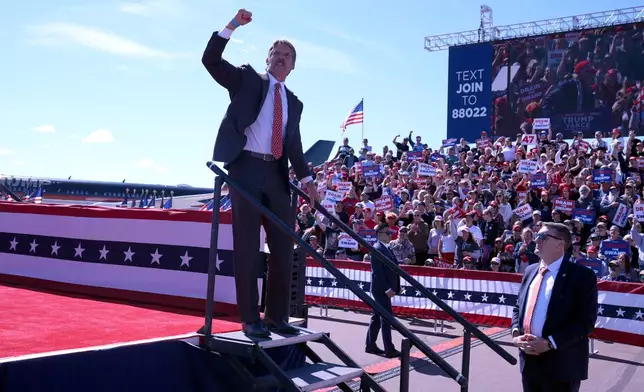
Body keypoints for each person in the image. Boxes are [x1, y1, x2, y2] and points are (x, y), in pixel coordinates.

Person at [202, 8, 319, 338]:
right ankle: (250, 318)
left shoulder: (294, 103)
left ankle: (276, 317)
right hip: (246, 170)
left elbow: (294, 145)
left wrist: (308, 181)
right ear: (267, 58)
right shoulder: (247, 79)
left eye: (287, 56)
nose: (280, 59)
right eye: (276, 53)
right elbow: (210, 60)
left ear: (293, 66)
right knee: (247, 246)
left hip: (277, 174)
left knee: (284, 247)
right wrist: (232, 26)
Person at [511, 222, 598, 392]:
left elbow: (585, 322)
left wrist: (550, 343)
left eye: (543, 237)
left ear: (560, 244)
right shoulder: (530, 271)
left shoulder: (582, 276)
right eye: (537, 236)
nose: (537, 240)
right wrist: (516, 333)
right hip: (530, 363)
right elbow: (518, 308)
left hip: (563, 365)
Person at [365, 222, 402, 358]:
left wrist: (397, 285)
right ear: (379, 234)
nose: (390, 235)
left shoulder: (386, 247)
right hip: (381, 290)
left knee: (376, 317)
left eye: (390, 232)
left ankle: (370, 345)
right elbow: (377, 272)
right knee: (386, 318)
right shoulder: (377, 248)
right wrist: (387, 289)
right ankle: (389, 349)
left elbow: (393, 269)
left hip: (384, 288)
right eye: (387, 233)